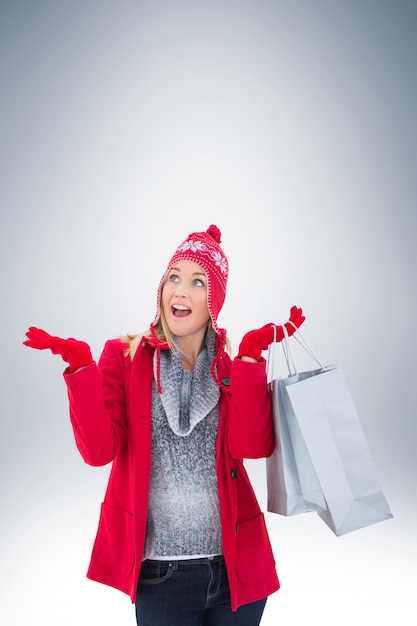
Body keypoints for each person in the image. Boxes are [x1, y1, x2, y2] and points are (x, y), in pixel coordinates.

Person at [23, 224, 305, 625]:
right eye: (174, 277)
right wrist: (81, 366)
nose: (181, 290)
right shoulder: (125, 358)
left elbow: (253, 446)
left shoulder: (228, 367)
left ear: (214, 301)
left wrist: (249, 359)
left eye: (197, 282)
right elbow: (98, 452)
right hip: (161, 575)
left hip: (235, 571)